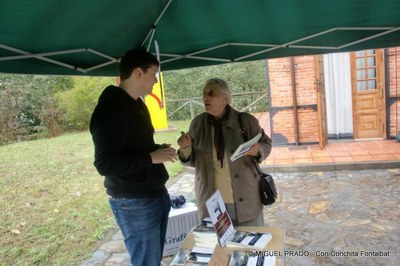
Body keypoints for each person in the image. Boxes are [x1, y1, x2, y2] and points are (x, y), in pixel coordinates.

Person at [89, 48, 177, 266]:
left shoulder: (138, 104)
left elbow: (137, 147)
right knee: (147, 262)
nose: (156, 80)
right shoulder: (110, 109)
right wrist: (150, 157)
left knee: (154, 259)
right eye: (153, 74)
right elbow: (105, 163)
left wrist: (158, 150)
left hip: (155, 193)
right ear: (138, 73)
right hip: (133, 202)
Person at [177, 78, 272, 226]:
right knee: (220, 248)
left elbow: (266, 143)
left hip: (246, 200)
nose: (205, 97)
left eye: (211, 93)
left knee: (250, 247)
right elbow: (193, 161)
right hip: (212, 204)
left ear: (225, 97)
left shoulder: (246, 122)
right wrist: (185, 148)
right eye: (204, 94)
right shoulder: (197, 124)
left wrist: (257, 150)